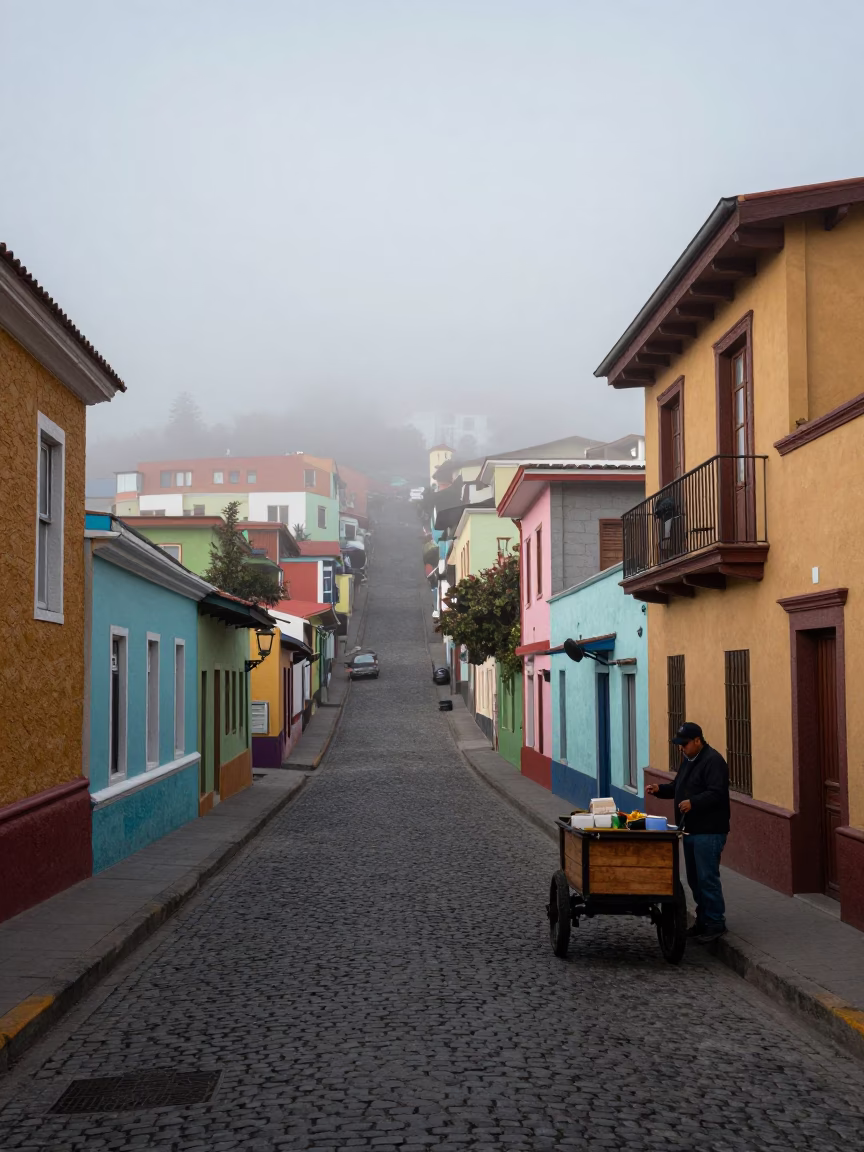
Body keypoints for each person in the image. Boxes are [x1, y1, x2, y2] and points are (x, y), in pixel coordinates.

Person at [646, 722, 730, 943]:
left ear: (697, 741)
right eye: (679, 744)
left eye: (684, 744)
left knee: (707, 877)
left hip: (709, 831)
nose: (681, 748)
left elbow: (717, 793)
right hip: (690, 830)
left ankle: (715, 923)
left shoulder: (714, 761)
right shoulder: (688, 761)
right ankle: (703, 921)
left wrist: (694, 802)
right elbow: (678, 786)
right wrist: (659, 790)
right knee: (694, 879)